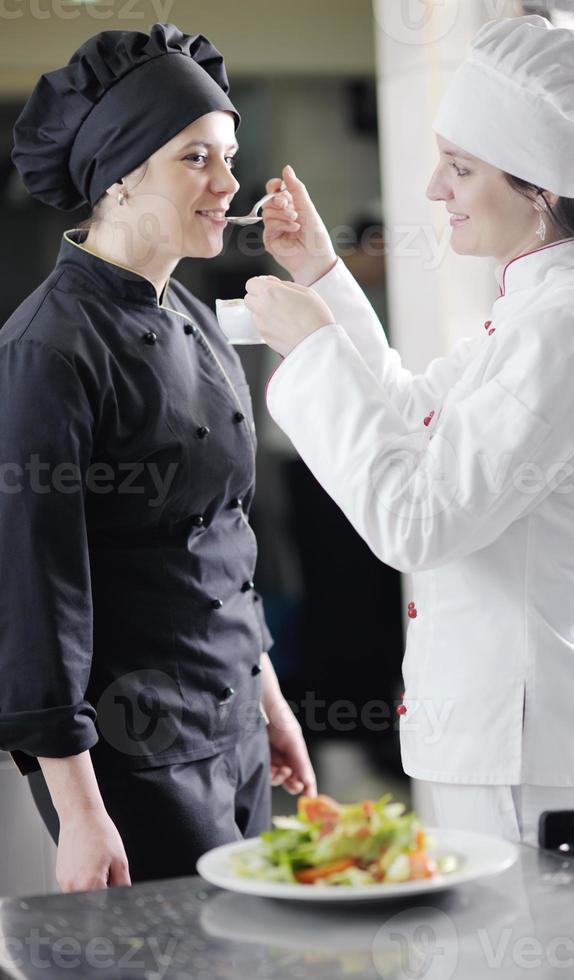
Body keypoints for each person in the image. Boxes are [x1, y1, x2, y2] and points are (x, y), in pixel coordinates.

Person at [244, 15, 574, 845]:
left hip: (527, 750)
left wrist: (315, 348)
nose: (434, 190)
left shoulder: (572, 326)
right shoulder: (542, 307)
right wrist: (324, 275)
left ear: (540, 183)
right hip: (501, 738)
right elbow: (406, 413)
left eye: (460, 168)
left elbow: (417, 520)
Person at [0, 22, 315, 893]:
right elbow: (37, 592)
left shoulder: (200, 320)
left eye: (231, 156)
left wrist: (268, 699)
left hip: (236, 733)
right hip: (131, 763)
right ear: (121, 173)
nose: (229, 183)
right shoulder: (46, 352)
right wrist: (81, 812)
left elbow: (221, 539)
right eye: (197, 160)